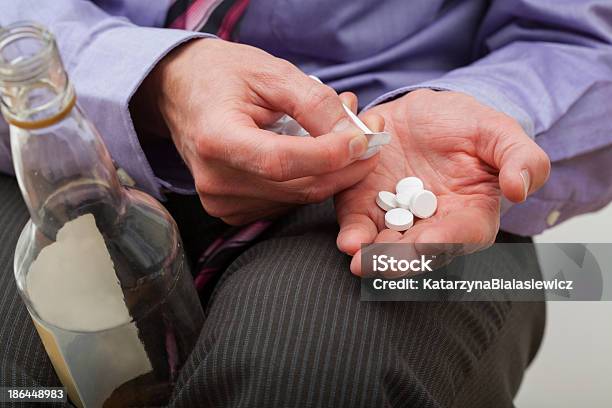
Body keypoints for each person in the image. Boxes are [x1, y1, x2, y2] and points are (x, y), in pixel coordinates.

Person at [0, 0, 610, 407]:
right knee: (22, 378)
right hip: (74, 131)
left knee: (313, 374)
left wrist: (485, 117)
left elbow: (593, 43)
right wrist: (155, 79)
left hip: (430, 173)